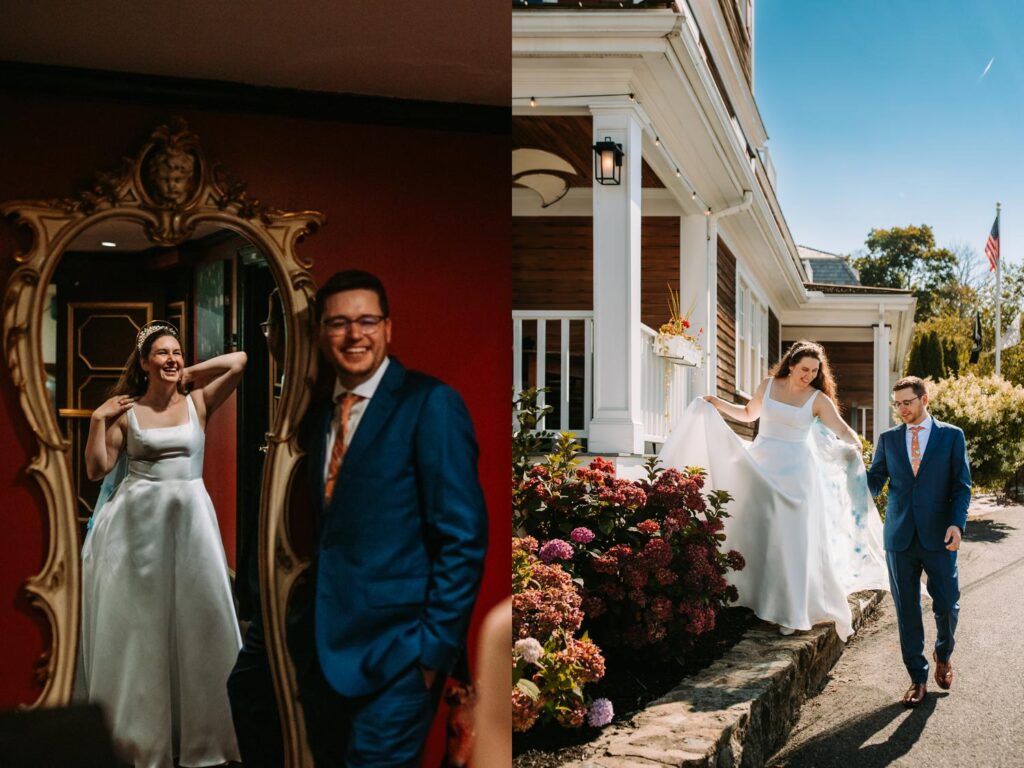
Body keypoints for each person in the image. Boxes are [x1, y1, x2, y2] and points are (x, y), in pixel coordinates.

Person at [288, 269, 488, 766]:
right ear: (320, 333)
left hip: (400, 658)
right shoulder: (318, 417)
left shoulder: (430, 404)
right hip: (322, 657)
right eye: (338, 323)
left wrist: (430, 655)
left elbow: (463, 538)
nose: (354, 335)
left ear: (388, 328)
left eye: (366, 320)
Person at [81, 321, 246, 768]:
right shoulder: (128, 412)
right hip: (138, 529)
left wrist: (185, 370)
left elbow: (239, 361)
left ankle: (202, 737)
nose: (171, 358)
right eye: (162, 353)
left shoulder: (198, 402)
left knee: (199, 620)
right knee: (145, 630)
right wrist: (98, 420)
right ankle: (142, 741)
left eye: (176, 351)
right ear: (143, 362)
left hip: (192, 522)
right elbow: (98, 470)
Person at [656, 340, 889, 640]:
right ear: (791, 365)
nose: (809, 374)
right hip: (762, 463)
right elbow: (748, 414)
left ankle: (791, 610)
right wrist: (717, 404)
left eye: (815, 371)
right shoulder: (768, 386)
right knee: (757, 529)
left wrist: (854, 443)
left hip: (798, 475)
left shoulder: (818, 399)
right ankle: (749, 596)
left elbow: (841, 428)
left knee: (792, 540)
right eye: (804, 369)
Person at [867, 375, 971, 708]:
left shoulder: (951, 436)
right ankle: (917, 677)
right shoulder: (887, 439)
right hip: (898, 537)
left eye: (907, 403)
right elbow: (874, 482)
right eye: (896, 404)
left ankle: (944, 653)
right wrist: (847, 468)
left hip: (940, 535)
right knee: (907, 609)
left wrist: (957, 524)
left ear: (924, 400)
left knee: (947, 603)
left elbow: (961, 486)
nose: (901, 410)